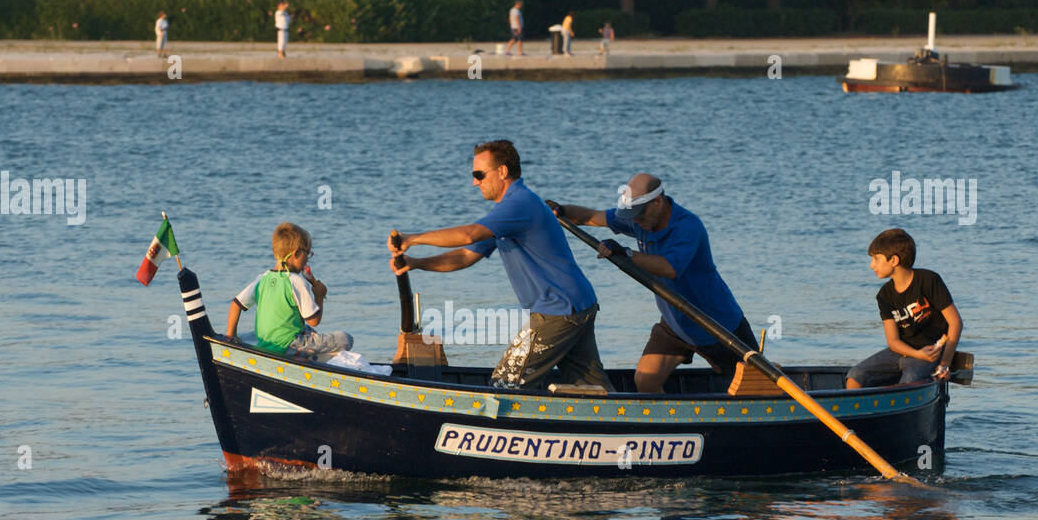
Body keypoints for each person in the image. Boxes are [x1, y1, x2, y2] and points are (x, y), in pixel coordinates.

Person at [389, 139, 613, 393]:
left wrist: (413, 238)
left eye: (479, 175)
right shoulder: (509, 211)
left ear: (503, 172)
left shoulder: (519, 203)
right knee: (592, 387)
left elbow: (469, 235)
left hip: (558, 310)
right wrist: (417, 264)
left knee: (505, 384)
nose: (475, 182)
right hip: (578, 305)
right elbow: (465, 256)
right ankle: (624, 425)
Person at [550, 174, 752, 394]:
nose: (636, 220)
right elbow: (590, 217)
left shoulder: (688, 227)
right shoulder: (640, 218)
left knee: (756, 387)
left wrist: (626, 254)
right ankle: (673, 427)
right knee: (645, 381)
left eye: (639, 214)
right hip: (676, 325)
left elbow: (669, 268)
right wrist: (560, 210)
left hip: (718, 325)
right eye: (632, 215)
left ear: (658, 201)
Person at [845, 228, 962, 388]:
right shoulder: (884, 295)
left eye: (876, 259)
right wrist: (915, 353)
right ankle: (855, 412)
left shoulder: (929, 280)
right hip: (902, 351)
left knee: (909, 381)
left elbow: (955, 323)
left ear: (893, 260)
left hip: (930, 353)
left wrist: (944, 363)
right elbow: (893, 341)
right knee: (855, 374)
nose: (872, 265)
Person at [226, 221, 352, 361]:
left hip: (266, 344)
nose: (308, 260)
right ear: (296, 253)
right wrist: (319, 296)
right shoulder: (296, 282)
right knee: (346, 339)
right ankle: (302, 357)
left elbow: (236, 304)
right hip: (290, 345)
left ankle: (299, 354)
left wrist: (230, 337)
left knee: (308, 332)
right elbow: (314, 320)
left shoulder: (262, 279)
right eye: (307, 254)